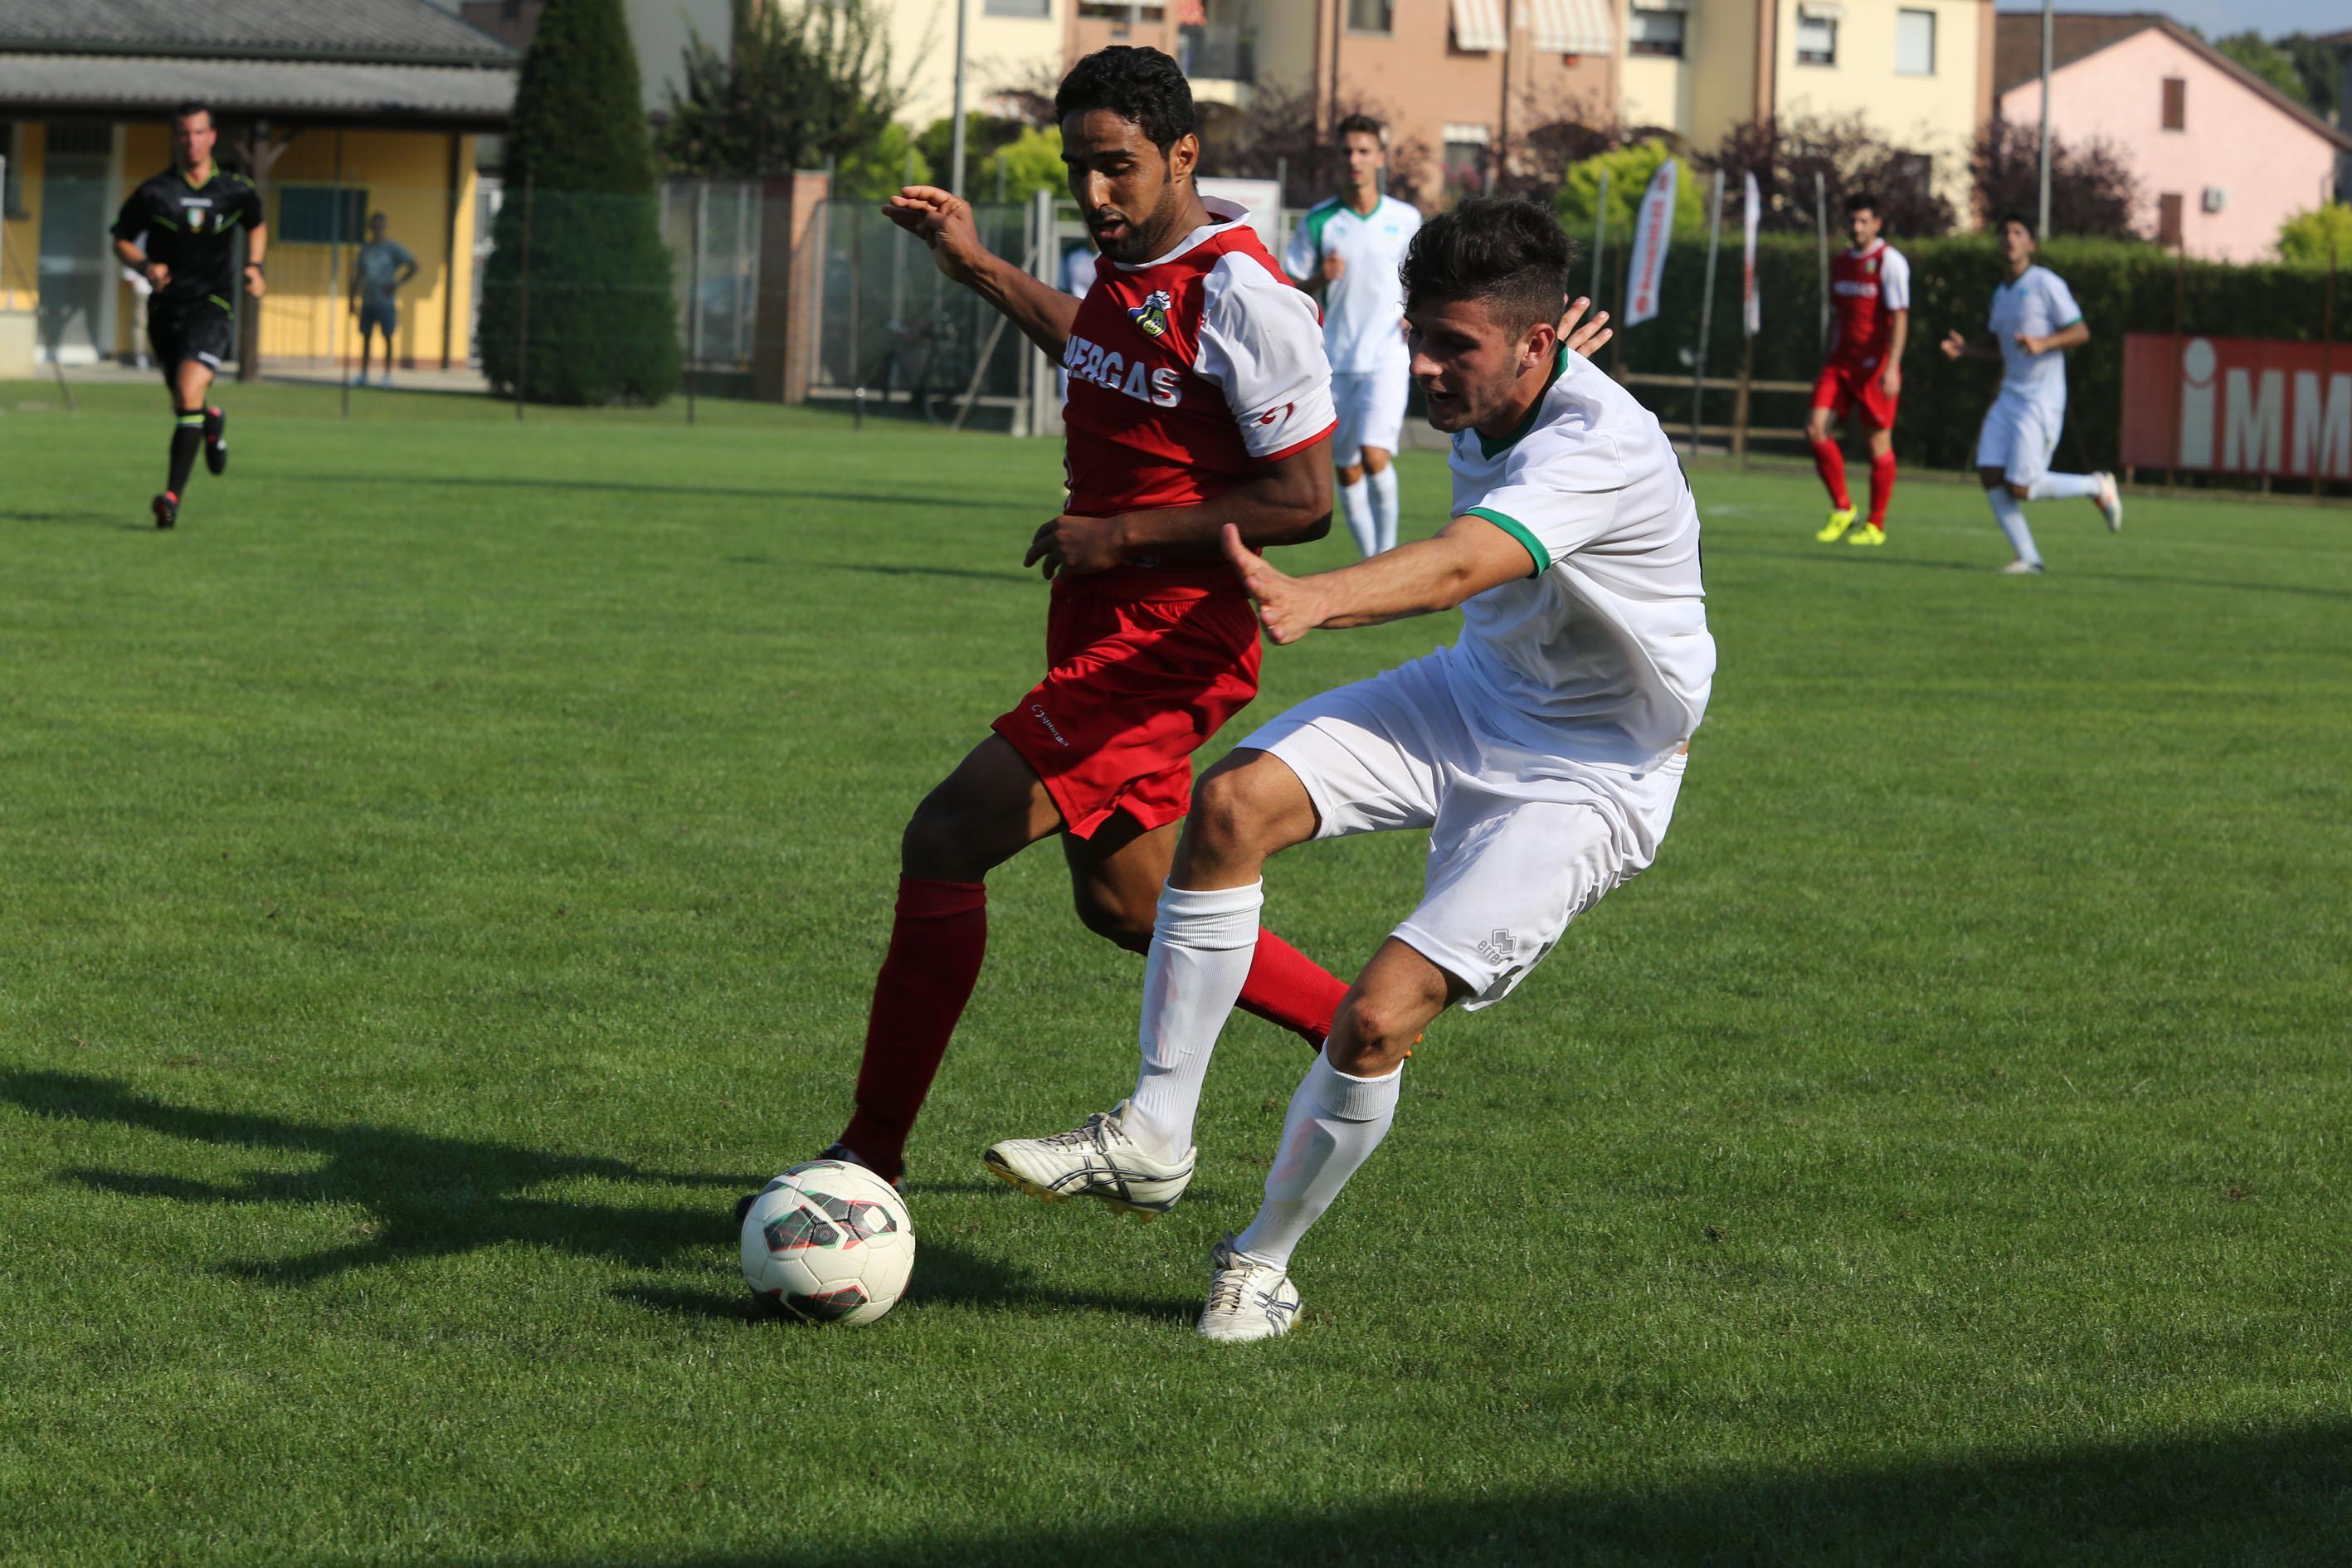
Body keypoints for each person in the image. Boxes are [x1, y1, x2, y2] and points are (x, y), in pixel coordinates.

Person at [984, 198, 1707, 1342]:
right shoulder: (1513, 381)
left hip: (1592, 770)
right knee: (1229, 803)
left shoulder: (1596, 443)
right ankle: (1153, 1134)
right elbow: (1516, 396)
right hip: (1478, 695)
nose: (1419, 366)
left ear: (1528, 346)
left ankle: (1261, 1260)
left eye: (1448, 347)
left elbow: (1466, 559)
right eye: (1418, 335)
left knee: (1374, 1020)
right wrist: (1527, 354)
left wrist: (1318, 594)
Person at [738, 47, 1351, 1214]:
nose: (1092, 194)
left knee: (944, 834)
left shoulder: (1243, 293)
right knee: (1128, 901)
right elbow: (1101, 347)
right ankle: (1359, 1023)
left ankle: (864, 1157)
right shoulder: (1128, 266)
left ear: (1182, 154)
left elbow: (1302, 501)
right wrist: (974, 267)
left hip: (1170, 641)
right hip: (1101, 629)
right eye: (1078, 169)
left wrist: (1115, 536)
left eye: (1114, 168)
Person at [109, 101, 265, 530]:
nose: (191, 141)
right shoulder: (155, 192)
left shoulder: (234, 189)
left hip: (212, 305)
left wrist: (254, 266)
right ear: (175, 137)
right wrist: (144, 266)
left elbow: (256, 221)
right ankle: (212, 422)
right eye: (184, 133)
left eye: (199, 133)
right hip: (166, 310)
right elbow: (120, 238)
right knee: (186, 402)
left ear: (212, 136)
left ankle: (171, 498)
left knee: (186, 389)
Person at [1940, 215, 2121, 573]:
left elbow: (2080, 331)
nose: (2009, 238)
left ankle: (2095, 486)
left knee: (2022, 487)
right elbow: (2001, 346)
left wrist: (2044, 343)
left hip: (2041, 398)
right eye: (2004, 232)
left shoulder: (2045, 283)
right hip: (2010, 396)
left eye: (2018, 233)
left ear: (2031, 245)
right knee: (1990, 473)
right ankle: (2028, 557)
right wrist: (1966, 350)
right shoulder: (2002, 293)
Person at [1282, 115, 1427, 558]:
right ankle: (1372, 560)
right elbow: (1288, 290)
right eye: (1347, 152)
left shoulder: (1405, 219)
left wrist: (1415, 312)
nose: (1355, 160)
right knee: (1346, 470)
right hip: (1334, 361)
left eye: (1364, 151)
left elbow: (1423, 277)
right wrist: (1317, 279)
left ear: (1380, 158)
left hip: (1386, 356)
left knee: (1374, 455)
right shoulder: (1320, 220)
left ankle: (1387, 558)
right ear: (1337, 159)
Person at [1809, 192, 1910, 548]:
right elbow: (1839, 317)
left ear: (1877, 224)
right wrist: (1828, 355)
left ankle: (1876, 524)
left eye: (1865, 221)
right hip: (1840, 363)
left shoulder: (1889, 262)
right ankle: (1843, 508)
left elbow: (1899, 317)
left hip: (1874, 367)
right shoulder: (1840, 263)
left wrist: (1893, 366)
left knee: (1877, 442)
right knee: (1816, 429)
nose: (1857, 227)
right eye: (1853, 221)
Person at [349, 213, 416, 389]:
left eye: (380, 227)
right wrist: (352, 299)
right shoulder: (366, 249)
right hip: (368, 300)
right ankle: (364, 374)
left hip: (385, 302)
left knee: (387, 337)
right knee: (366, 337)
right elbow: (358, 276)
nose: (377, 230)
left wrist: (397, 283)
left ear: (385, 228)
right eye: (374, 227)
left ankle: (387, 375)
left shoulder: (392, 249)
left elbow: (413, 266)